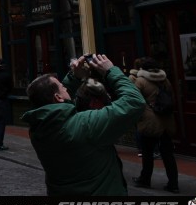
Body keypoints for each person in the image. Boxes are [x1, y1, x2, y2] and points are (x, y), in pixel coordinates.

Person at [21, 54, 146, 196]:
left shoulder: (38, 129)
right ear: (58, 97)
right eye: (63, 88)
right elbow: (134, 102)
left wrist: (74, 77)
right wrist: (111, 71)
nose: (67, 89)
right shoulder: (85, 125)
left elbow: (55, 105)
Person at [132, 57, 179, 193]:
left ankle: (145, 179)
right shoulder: (165, 81)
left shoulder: (140, 81)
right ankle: (173, 183)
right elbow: (172, 98)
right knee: (168, 154)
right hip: (166, 121)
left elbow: (135, 100)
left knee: (147, 153)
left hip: (149, 122)